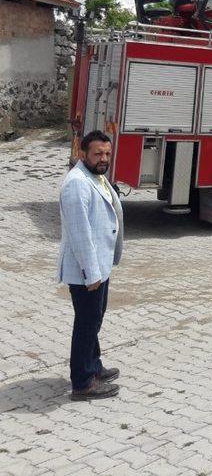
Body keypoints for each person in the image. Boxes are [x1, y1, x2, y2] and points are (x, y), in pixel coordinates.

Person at [57, 130, 124, 400]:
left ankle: (93, 366)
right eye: (97, 153)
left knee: (94, 320)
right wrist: (91, 273)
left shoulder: (96, 177)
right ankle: (83, 382)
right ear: (82, 153)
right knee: (86, 323)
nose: (103, 158)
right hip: (88, 270)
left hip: (99, 265)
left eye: (107, 153)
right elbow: (79, 233)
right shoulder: (76, 183)